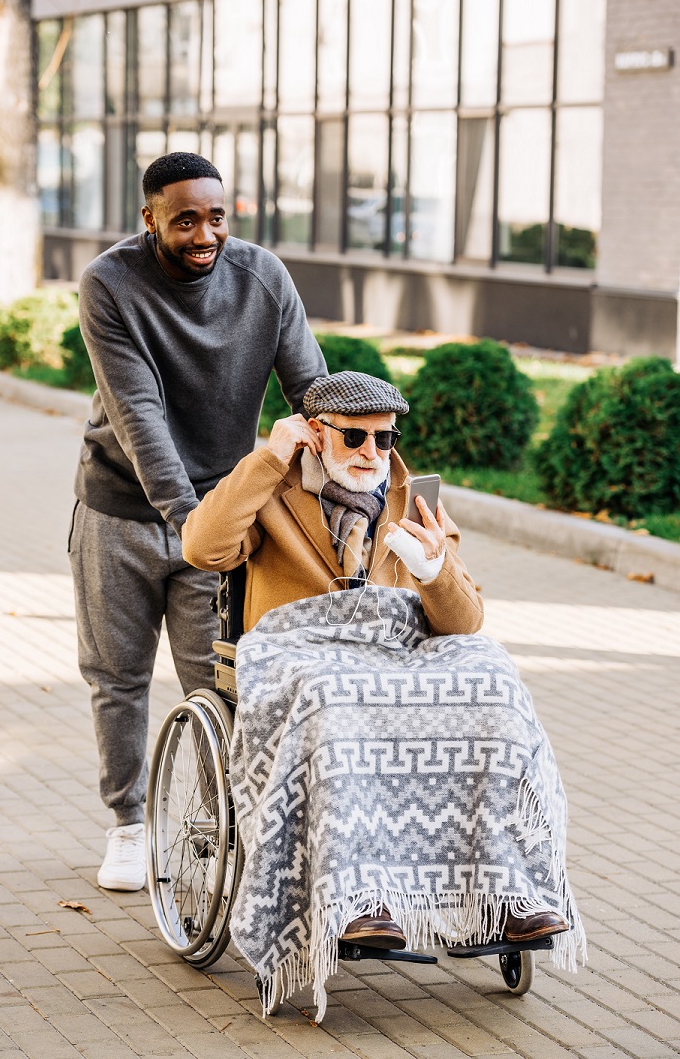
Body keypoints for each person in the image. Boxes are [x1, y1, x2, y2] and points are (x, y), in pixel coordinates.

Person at [182, 371, 583, 1018]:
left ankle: (510, 888)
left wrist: (434, 570)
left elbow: (465, 620)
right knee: (334, 696)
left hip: (394, 659)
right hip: (300, 655)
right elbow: (202, 547)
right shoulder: (272, 486)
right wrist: (268, 455)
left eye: (384, 437)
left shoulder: (410, 492)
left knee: (492, 680)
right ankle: (358, 894)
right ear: (316, 435)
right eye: (355, 437)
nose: (373, 451)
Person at [69, 152, 326, 892]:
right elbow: (138, 413)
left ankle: (223, 830)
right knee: (115, 676)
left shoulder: (262, 277)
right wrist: (189, 518)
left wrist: (352, 449)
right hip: (119, 507)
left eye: (215, 217)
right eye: (184, 220)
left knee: (213, 682)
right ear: (149, 219)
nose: (203, 233)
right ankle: (126, 826)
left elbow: (308, 385)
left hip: (216, 518)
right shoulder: (111, 284)